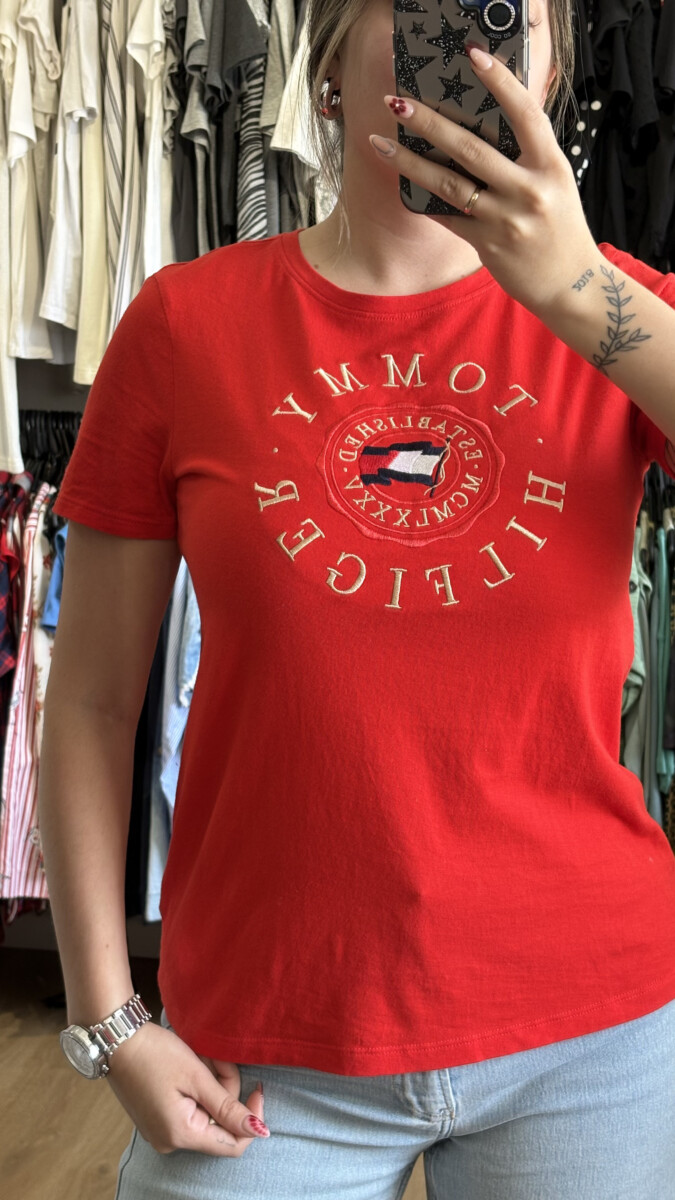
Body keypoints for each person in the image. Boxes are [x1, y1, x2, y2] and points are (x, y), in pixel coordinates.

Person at [38, 1, 675, 1197]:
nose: (471, 38)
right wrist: (106, 1018)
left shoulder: (625, 315)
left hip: (589, 1030)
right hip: (266, 1044)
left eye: (512, 12)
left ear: (550, 69)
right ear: (329, 60)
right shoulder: (184, 324)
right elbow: (90, 703)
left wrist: (578, 291)